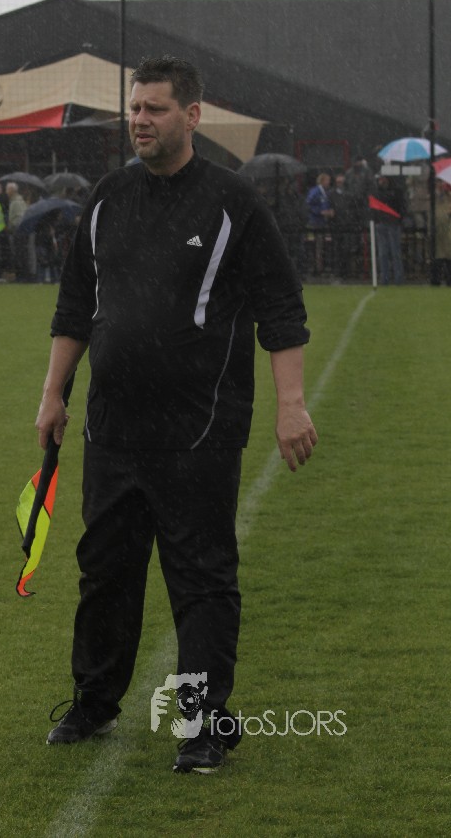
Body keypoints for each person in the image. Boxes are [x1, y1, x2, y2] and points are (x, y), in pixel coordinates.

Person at [35, 55, 317, 775]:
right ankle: (93, 703)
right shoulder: (107, 198)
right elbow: (76, 305)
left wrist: (291, 406)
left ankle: (203, 725)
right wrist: (53, 392)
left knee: (200, 579)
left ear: (192, 116)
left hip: (199, 431)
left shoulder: (232, 203)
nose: (140, 120)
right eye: (134, 108)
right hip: (113, 427)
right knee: (105, 571)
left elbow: (282, 311)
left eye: (155, 109)